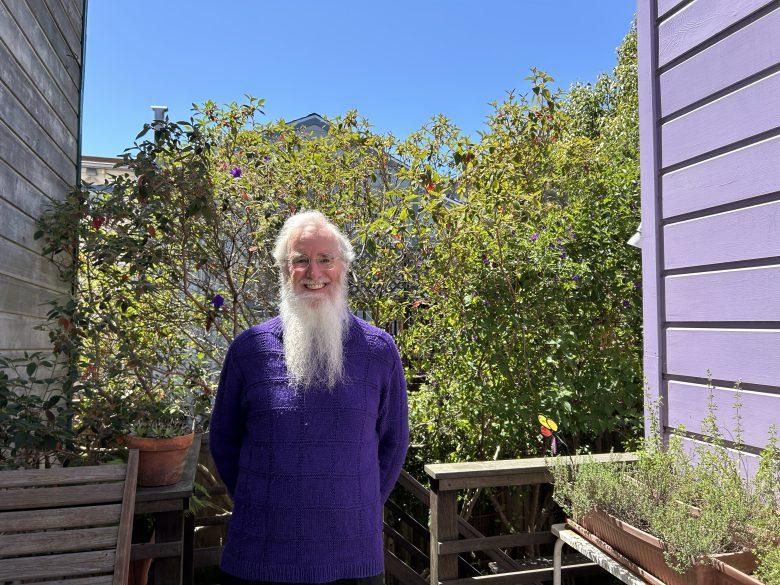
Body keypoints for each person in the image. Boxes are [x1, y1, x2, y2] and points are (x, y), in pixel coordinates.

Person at [210, 210, 410, 584]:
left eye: (325, 260)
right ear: (284, 271)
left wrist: (356, 506)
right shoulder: (249, 350)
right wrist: (267, 502)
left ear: (344, 267)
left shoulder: (379, 351)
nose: (314, 273)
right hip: (260, 554)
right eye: (300, 260)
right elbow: (223, 441)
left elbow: (394, 444)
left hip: (353, 556)